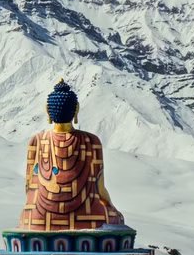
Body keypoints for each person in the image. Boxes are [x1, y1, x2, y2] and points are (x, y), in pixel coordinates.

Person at [18, 79, 124, 231]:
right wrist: (113, 208)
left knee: (28, 217)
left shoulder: (36, 141)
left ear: (48, 111)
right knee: (115, 219)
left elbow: (29, 187)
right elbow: (99, 188)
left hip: (38, 218)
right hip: (87, 217)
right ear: (76, 110)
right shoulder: (91, 141)